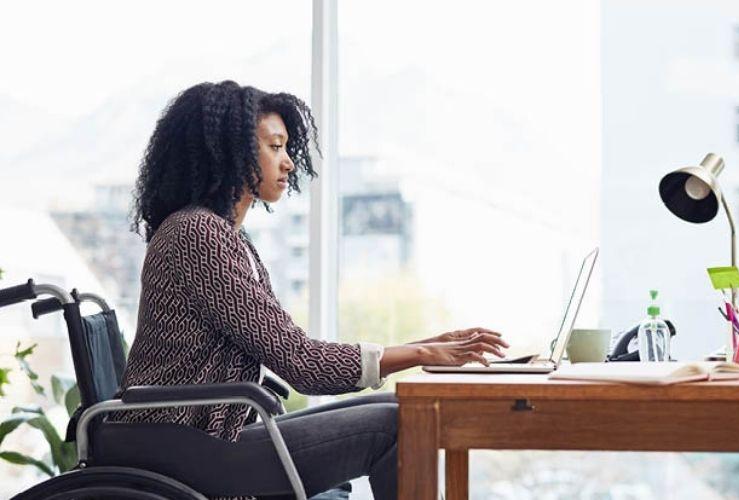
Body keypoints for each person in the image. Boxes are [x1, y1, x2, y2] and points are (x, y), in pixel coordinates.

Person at [116, 80, 509, 499]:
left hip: (203, 436)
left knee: (399, 409)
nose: (287, 163)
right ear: (228, 151)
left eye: (286, 147)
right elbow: (304, 364)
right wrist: (423, 353)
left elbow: (294, 353)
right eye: (274, 146)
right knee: (399, 424)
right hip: (187, 445)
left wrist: (425, 345)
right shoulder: (198, 235)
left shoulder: (219, 235)